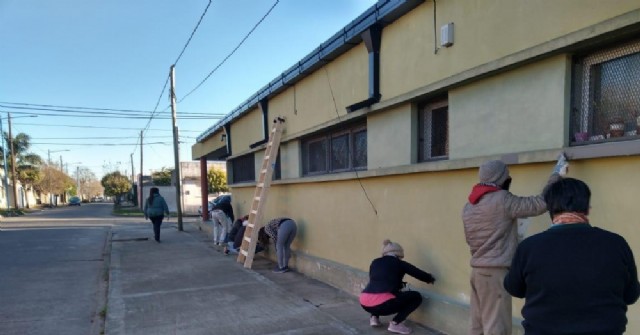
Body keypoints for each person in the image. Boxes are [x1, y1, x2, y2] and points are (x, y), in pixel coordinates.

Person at [504, 178, 640, 334]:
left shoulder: (529, 247)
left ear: (550, 209)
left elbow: (513, 288)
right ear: (587, 209)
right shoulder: (616, 244)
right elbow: (631, 295)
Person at [461, 155, 567, 335]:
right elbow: (539, 204)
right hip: (495, 273)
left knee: (477, 325)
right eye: (507, 175)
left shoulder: (469, 205)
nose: (508, 179)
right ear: (500, 178)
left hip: (477, 271)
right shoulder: (502, 199)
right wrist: (556, 174)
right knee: (497, 327)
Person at [359, 239, 435, 334]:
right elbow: (418, 274)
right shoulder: (399, 263)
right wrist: (430, 278)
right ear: (398, 254)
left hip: (364, 302)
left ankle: (374, 318)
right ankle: (396, 323)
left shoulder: (375, 262)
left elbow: (377, 281)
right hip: (382, 304)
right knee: (416, 296)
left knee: (379, 293)